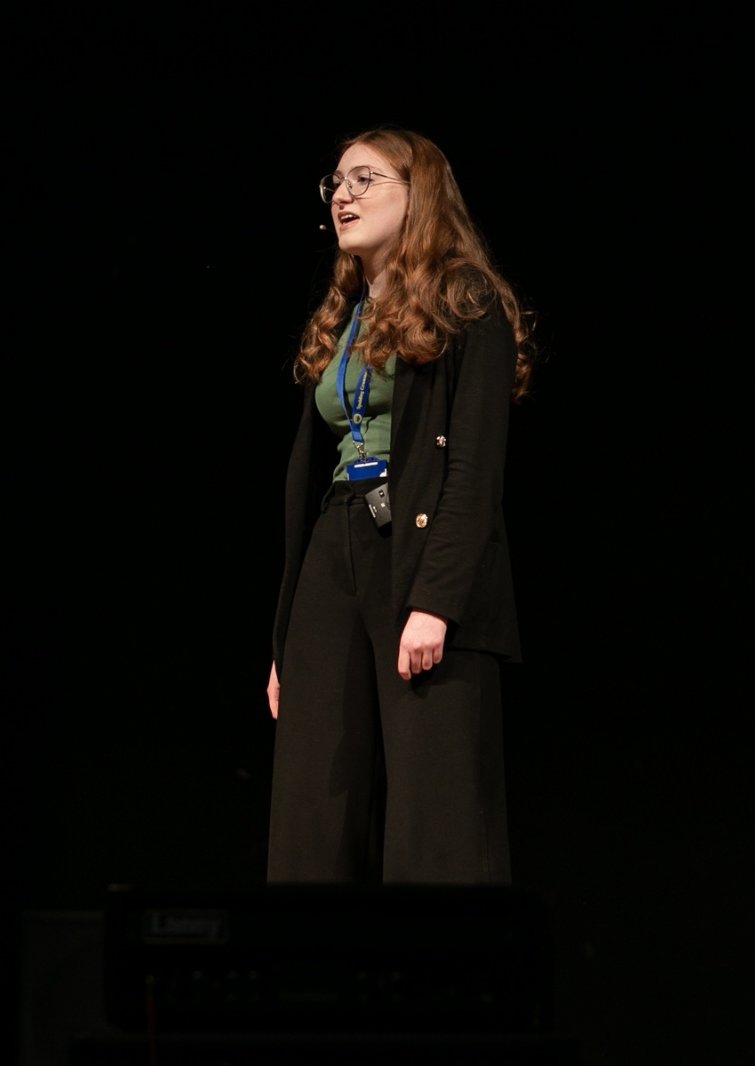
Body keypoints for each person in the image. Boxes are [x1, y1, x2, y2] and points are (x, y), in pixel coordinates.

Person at [266, 127, 531, 886]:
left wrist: (436, 600)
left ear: (420, 196)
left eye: (365, 179)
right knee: (313, 805)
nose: (342, 196)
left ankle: (445, 959)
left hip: (419, 551)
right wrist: (286, 640)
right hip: (337, 543)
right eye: (336, 183)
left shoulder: (466, 302)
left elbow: (473, 471)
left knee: (434, 811)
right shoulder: (343, 314)